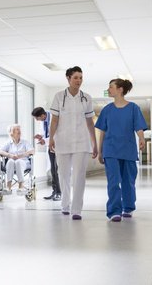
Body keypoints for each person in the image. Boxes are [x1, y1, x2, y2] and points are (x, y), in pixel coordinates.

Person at [48, 66, 98, 220]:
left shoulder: (86, 98)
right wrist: (51, 138)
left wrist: (94, 143)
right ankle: (65, 204)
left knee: (79, 176)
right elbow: (54, 120)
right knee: (63, 175)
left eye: (81, 78)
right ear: (68, 78)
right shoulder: (58, 96)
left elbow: (90, 122)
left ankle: (76, 210)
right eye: (76, 77)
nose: (79, 81)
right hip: (62, 141)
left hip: (82, 142)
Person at [95, 79, 148, 222]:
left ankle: (128, 207)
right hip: (111, 150)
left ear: (120, 89)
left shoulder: (133, 108)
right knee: (113, 181)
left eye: (111, 87)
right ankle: (114, 211)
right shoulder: (107, 110)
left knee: (128, 181)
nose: (108, 89)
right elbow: (103, 132)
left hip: (128, 149)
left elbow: (138, 126)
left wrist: (142, 138)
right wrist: (100, 151)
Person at [32, 107, 61, 201]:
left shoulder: (54, 117)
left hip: (59, 146)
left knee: (57, 170)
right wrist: (41, 137)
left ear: (43, 115)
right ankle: (55, 191)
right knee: (53, 170)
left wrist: (45, 140)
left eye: (37, 118)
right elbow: (47, 134)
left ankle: (59, 193)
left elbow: (57, 133)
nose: (37, 120)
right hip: (51, 147)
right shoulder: (43, 121)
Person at [0, 124, 35, 193]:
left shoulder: (25, 142)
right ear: (11, 133)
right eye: (16, 129)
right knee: (10, 161)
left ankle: (21, 186)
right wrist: (10, 155)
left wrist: (21, 155)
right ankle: (8, 186)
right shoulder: (8, 143)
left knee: (18, 162)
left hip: (23, 163)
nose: (19, 131)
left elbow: (32, 151)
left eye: (19, 129)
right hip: (11, 165)